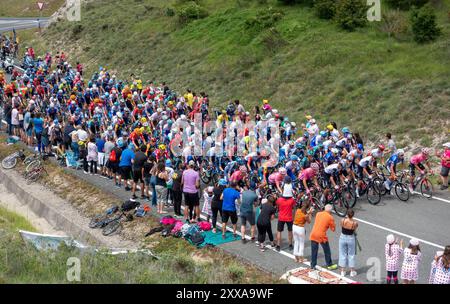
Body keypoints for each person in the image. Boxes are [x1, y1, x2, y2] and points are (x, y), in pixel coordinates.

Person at [309, 204, 338, 270]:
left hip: (313, 233)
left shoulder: (318, 213)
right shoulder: (330, 217)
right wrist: (333, 222)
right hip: (321, 236)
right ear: (330, 211)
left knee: (314, 251)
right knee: (327, 250)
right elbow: (333, 229)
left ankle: (313, 265)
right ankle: (329, 264)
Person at [275, 177, 296, 252]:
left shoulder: (279, 200)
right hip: (289, 218)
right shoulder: (292, 200)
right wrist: (293, 217)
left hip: (281, 218)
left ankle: (278, 245)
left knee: (279, 231)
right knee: (290, 231)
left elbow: (277, 205)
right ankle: (290, 244)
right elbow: (294, 209)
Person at [338, 209, 359, 277]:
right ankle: (352, 271)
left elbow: (341, 226)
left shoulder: (342, 220)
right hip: (350, 238)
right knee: (351, 254)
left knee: (342, 253)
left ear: (347, 214)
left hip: (343, 237)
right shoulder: (355, 223)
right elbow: (354, 229)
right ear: (353, 215)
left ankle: (343, 271)